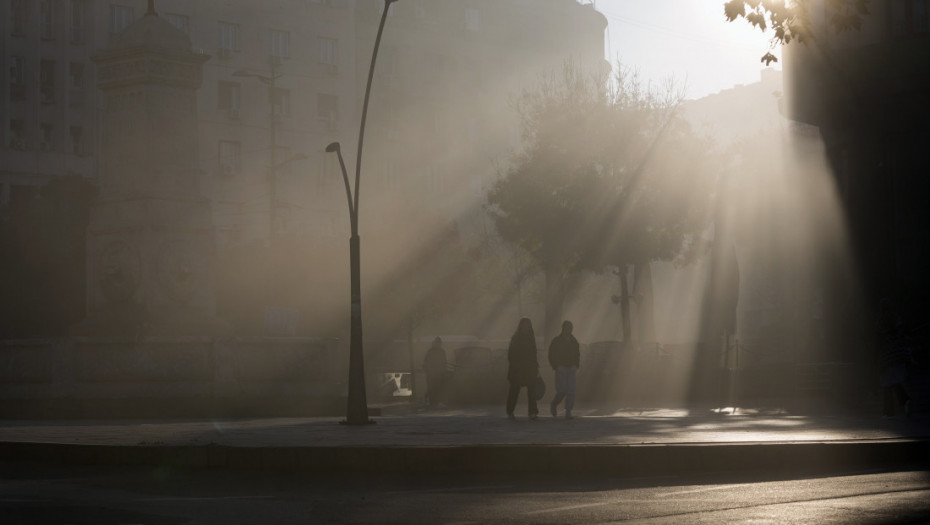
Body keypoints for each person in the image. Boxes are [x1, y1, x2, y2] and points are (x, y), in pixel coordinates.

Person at [878, 298, 912, 418]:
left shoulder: (883, 320)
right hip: (900, 354)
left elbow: (880, 338)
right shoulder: (897, 318)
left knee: (887, 383)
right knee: (894, 381)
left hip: (888, 355)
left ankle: (889, 411)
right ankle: (903, 401)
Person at [506, 318, 539, 420]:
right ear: (521, 326)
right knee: (514, 391)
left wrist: (536, 367)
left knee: (532, 390)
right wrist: (516, 365)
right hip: (518, 368)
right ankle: (510, 411)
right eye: (525, 325)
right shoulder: (516, 338)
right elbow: (511, 354)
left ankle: (532, 412)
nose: (526, 327)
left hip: (529, 368)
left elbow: (534, 354)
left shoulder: (531, 338)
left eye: (528, 325)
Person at [548, 320, 580, 419]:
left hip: (571, 367)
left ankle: (568, 411)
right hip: (561, 367)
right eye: (567, 327)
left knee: (571, 391)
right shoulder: (556, 341)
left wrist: (576, 365)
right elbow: (551, 354)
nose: (569, 329)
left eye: (571, 327)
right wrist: (555, 366)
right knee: (561, 390)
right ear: (563, 328)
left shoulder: (574, 341)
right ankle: (554, 404)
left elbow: (577, 354)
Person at [423, 337, 448, 407]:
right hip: (433, 373)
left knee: (435, 387)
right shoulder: (439, 351)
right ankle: (433, 401)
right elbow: (444, 362)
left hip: (435, 372)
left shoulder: (431, 351)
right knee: (434, 387)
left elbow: (426, 361)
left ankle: (433, 402)